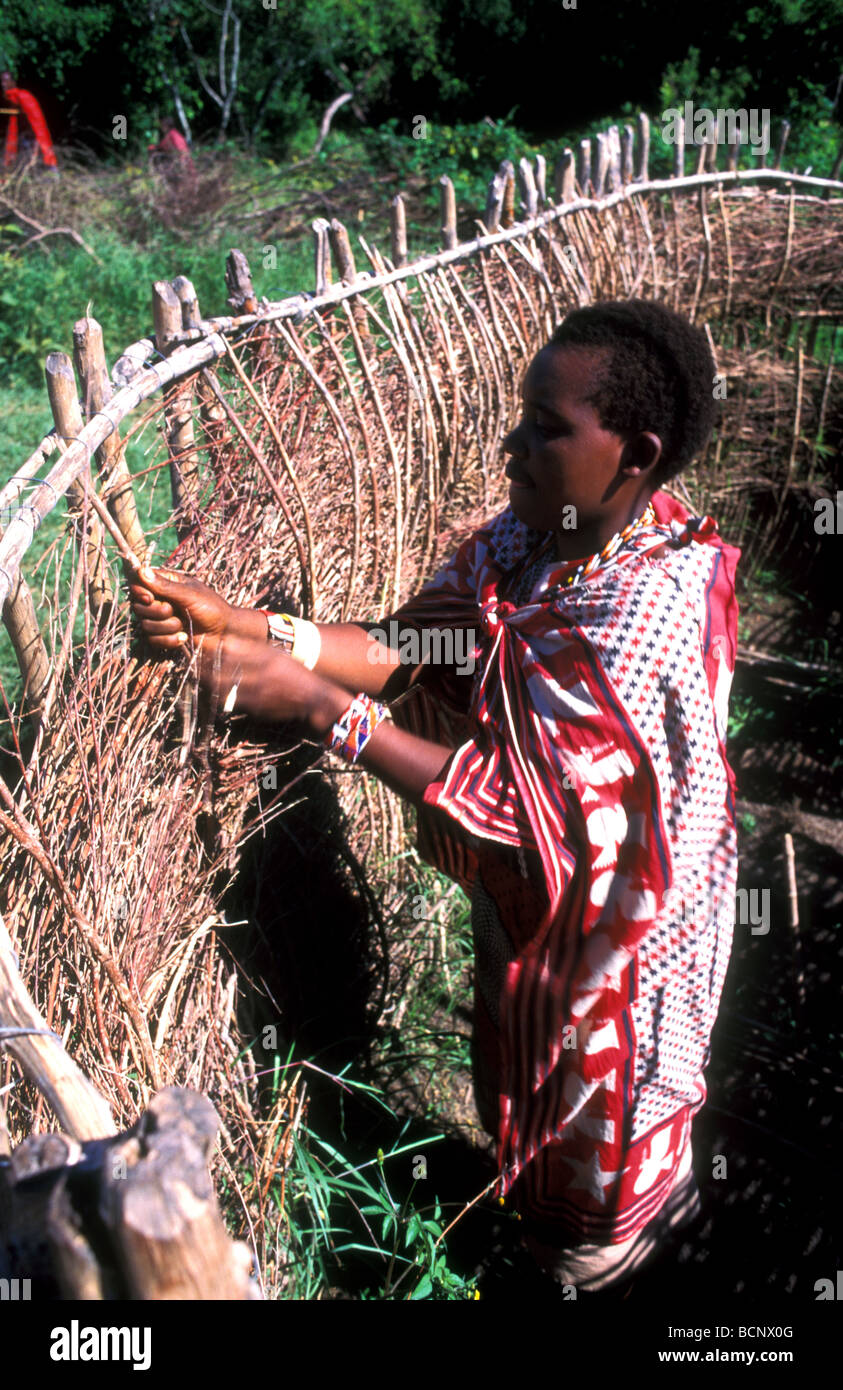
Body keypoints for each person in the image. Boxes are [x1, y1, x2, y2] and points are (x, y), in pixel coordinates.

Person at [128, 298, 740, 1293]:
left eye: (548, 427)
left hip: (619, 958)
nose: (514, 445)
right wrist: (253, 629)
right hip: (534, 930)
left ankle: (601, 1273)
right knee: (521, 1089)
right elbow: (427, 645)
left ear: (636, 454)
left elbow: (523, 817)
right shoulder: (543, 540)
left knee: (595, 1149)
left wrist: (325, 709)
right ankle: (541, 1232)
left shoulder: (643, 617)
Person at [1, 70, 57, 171]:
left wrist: (36, 145)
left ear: (13, 82)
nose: (2, 84)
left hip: (34, 141)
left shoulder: (23, 96)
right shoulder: (13, 99)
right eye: (1, 81)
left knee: (43, 168)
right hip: (24, 140)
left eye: (5, 81)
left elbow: (37, 125)